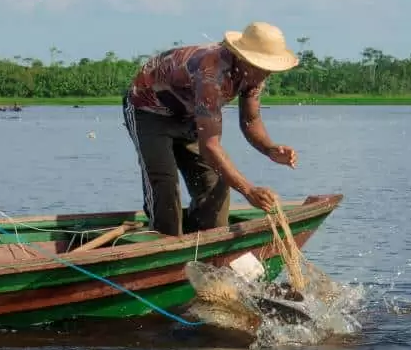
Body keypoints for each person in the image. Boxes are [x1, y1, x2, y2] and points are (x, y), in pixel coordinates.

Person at [122, 21, 300, 236]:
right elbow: (210, 146)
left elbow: (251, 120)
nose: (266, 74)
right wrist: (248, 190)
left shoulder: (254, 74)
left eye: (269, 68)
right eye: (262, 67)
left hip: (189, 115)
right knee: (165, 184)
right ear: (244, 58)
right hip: (148, 110)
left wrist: (269, 148)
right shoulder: (211, 74)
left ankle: (207, 240)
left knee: (216, 183)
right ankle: (165, 241)